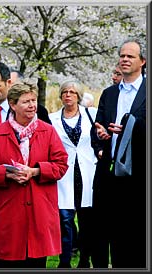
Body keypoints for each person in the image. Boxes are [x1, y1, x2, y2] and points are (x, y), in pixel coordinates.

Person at [0, 80, 68, 268]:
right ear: (13, 104)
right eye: (26, 101)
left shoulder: (48, 131)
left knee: (36, 264)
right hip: (10, 216)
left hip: (39, 214)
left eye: (34, 100)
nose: (32, 105)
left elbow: (61, 165)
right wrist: (7, 174)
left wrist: (36, 171)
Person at [91, 38, 146, 268]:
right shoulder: (109, 93)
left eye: (130, 56)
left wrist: (130, 132)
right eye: (122, 55)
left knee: (136, 238)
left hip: (139, 176)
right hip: (108, 176)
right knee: (106, 236)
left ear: (142, 61)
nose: (124, 59)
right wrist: (102, 141)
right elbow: (97, 128)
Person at [49, 80, 97, 268]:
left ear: (78, 96)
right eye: (65, 92)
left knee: (86, 221)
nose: (68, 95)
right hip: (64, 174)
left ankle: (85, 260)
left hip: (86, 172)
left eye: (72, 92)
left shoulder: (90, 115)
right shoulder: (52, 118)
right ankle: (65, 262)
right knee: (65, 220)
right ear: (61, 96)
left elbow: (100, 137)